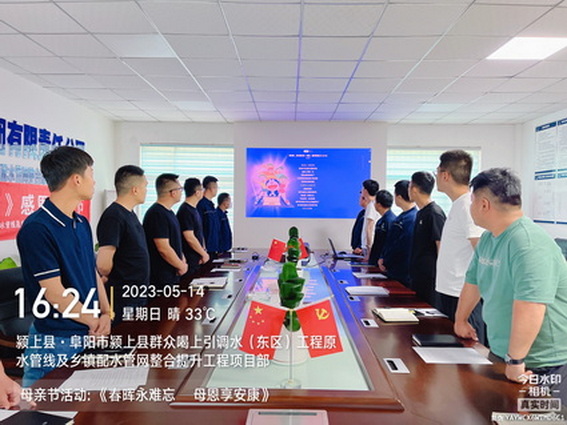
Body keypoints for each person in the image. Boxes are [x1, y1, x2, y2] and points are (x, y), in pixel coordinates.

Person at [455, 168, 567, 397]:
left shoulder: (528, 243)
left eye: (472, 201)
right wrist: (461, 320)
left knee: (539, 415)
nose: (471, 207)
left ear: (483, 205)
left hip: (541, 362)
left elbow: (531, 306)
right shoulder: (489, 238)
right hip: (504, 354)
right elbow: (473, 282)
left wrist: (516, 360)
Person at [17, 146, 111, 386]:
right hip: (55, 339)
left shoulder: (81, 222)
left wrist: (105, 313)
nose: (94, 181)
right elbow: (55, 293)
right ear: (76, 179)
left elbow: (92, 272)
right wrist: (94, 321)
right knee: (41, 405)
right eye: (91, 174)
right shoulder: (38, 228)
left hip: (86, 332)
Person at [435, 150, 486, 344]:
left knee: (468, 355)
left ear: (445, 175)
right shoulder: (458, 204)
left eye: (437, 172)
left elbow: (482, 254)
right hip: (450, 293)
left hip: (463, 298)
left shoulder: (467, 206)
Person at [96, 165, 150, 325]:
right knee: (124, 334)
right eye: (145, 186)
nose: (146, 190)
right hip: (122, 295)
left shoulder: (130, 214)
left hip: (136, 292)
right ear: (135, 190)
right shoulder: (113, 216)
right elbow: (103, 265)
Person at [408, 171, 446, 306]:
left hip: (430, 278)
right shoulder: (420, 213)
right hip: (418, 275)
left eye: (410, 185)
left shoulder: (434, 213)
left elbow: (440, 245)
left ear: (414, 189)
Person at [143, 173, 187, 287]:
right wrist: (181, 266)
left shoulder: (170, 212)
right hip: (161, 277)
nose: (181, 192)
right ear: (173, 192)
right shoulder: (157, 214)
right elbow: (163, 248)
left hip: (172, 274)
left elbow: (174, 242)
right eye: (180, 189)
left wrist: (182, 260)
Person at [378, 180, 417, 286]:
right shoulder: (401, 217)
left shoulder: (412, 218)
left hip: (402, 272)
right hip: (392, 269)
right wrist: (383, 257)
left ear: (399, 197)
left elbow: (402, 246)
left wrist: (387, 260)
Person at [178, 178, 209, 276]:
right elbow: (189, 237)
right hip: (189, 259)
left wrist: (203, 250)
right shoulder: (185, 210)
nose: (203, 192)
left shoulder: (194, 209)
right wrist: (203, 254)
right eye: (202, 189)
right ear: (197, 193)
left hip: (197, 258)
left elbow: (198, 233)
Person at [368, 190, 396, 266]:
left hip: (383, 262)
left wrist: (383, 258)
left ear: (379, 205)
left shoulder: (391, 220)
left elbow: (389, 243)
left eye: (375, 202)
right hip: (376, 259)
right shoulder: (381, 220)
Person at [197, 175, 221, 257]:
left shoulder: (211, 205)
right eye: (216, 188)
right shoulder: (201, 204)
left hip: (214, 248)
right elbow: (199, 227)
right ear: (211, 188)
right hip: (206, 249)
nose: (216, 190)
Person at [360, 179, 380, 257]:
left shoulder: (371, 205)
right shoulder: (373, 204)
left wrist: (369, 248)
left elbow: (369, 228)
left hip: (368, 246)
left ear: (365, 190)